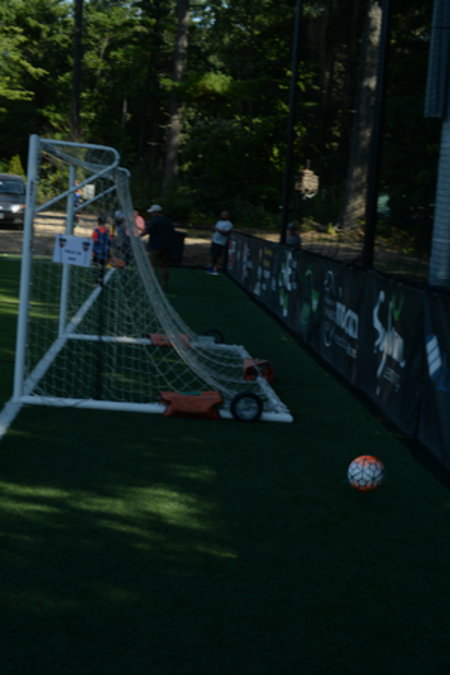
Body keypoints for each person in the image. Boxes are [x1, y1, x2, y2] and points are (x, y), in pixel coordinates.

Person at [141, 204, 175, 290]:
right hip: (166, 246)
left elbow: (147, 230)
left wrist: (138, 237)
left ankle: (152, 284)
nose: (151, 214)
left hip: (155, 245)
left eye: (152, 212)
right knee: (165, 266)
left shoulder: (154, 220)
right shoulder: (168, 220)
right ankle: (165, 284)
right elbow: (172, 232)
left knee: (152, 265)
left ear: (155, 212)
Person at [207, 210, 233, 275]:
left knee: (216, 256)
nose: (223, 216)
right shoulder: (219, 222)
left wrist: (217, 229)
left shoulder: (229, 224)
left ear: (228, 216)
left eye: (225, 215)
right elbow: (215, 230)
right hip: (214, 241)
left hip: (220, 242)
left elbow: (226, 233)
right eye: (222, 214)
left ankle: (214, 270)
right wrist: (213, 229)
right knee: (212, 255)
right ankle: (211, 268)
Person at [91, 215, 112, 284]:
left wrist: (92, 251)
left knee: (95, 266)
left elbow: (92, 241)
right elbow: (109, 241)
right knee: (103, 267)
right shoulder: (107, 231)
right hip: (105, 251)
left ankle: (96, 280)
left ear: (98, 222)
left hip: (97, 251)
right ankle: (101, 279)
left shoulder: (96, 231)